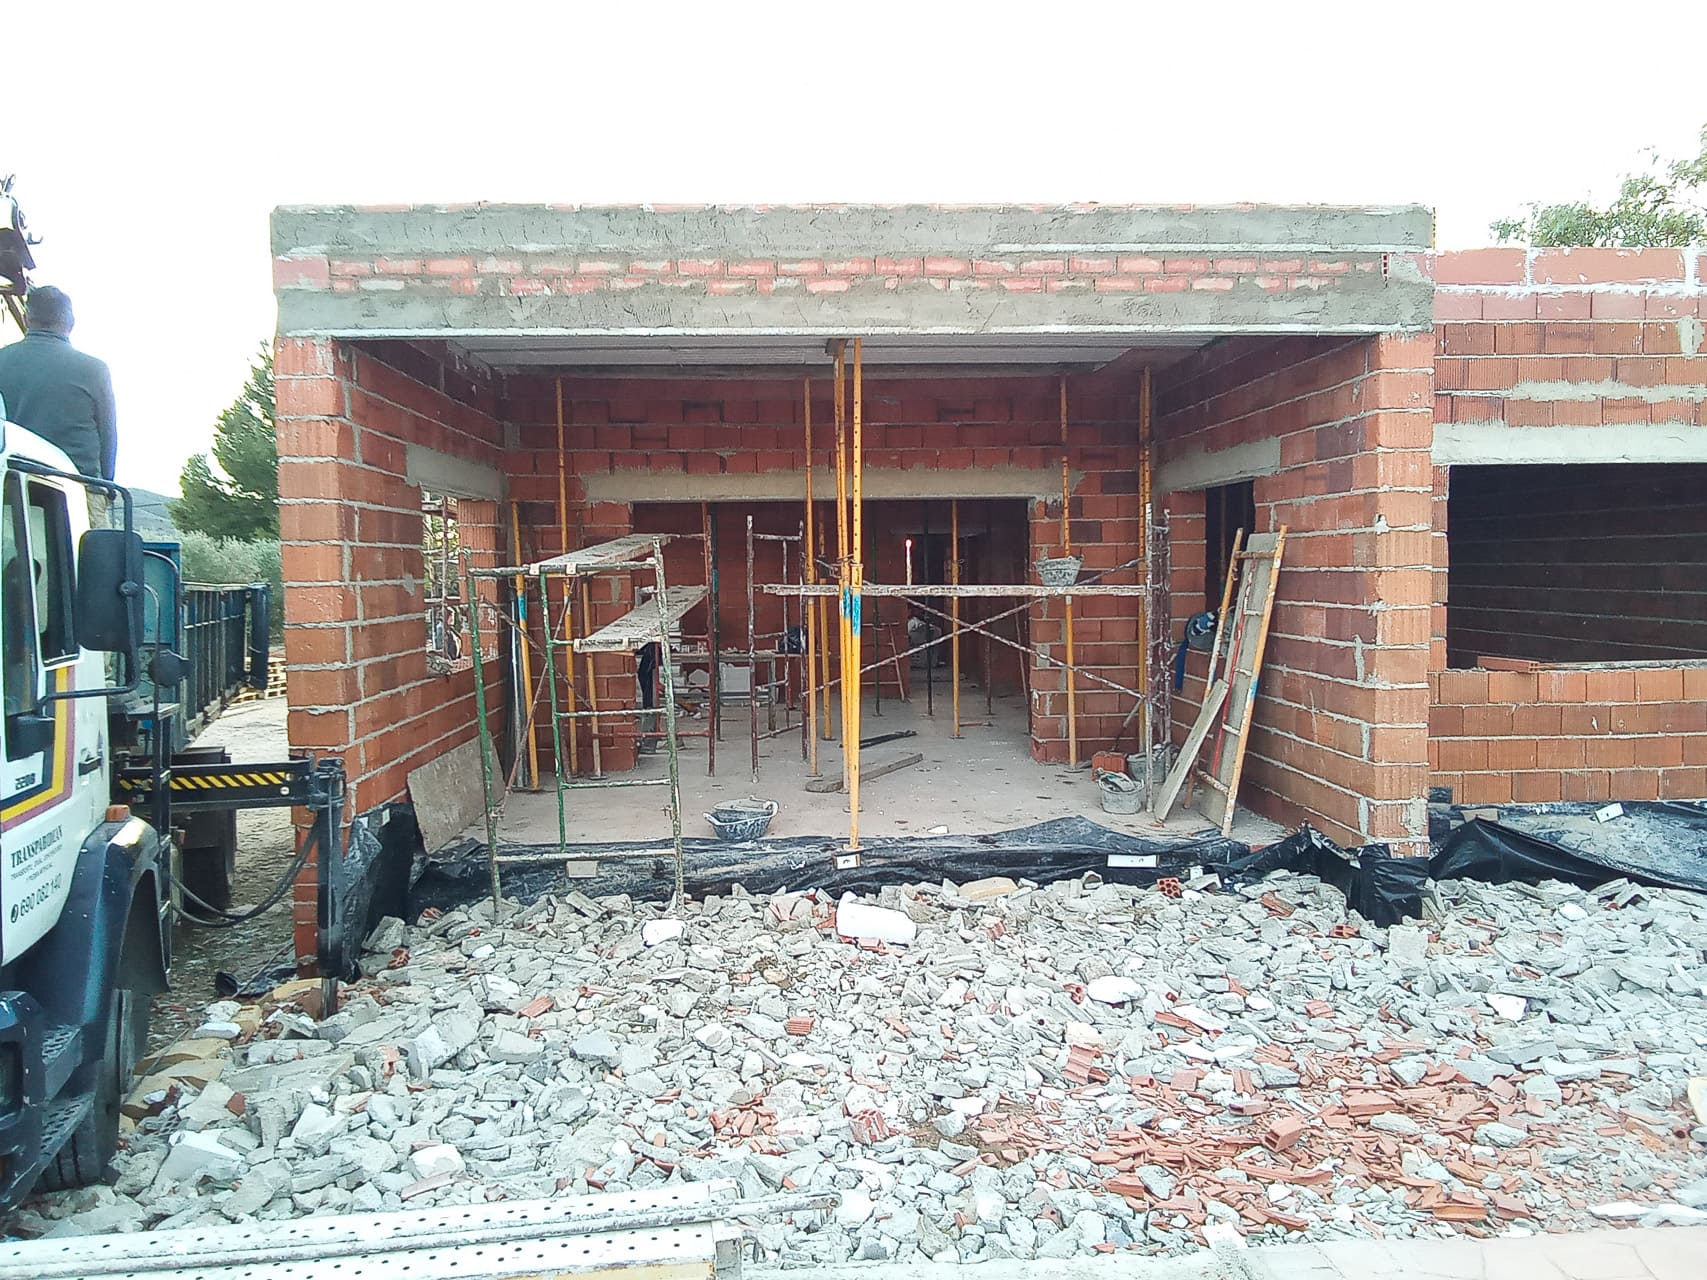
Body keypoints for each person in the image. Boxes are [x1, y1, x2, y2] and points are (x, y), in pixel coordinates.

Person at [0, 286, 118, 496]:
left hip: (10, 490)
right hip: (77, 490)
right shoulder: (94, 370)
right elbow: (108, 436)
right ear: (71, 322)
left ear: (27, 319)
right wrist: (106, 484)